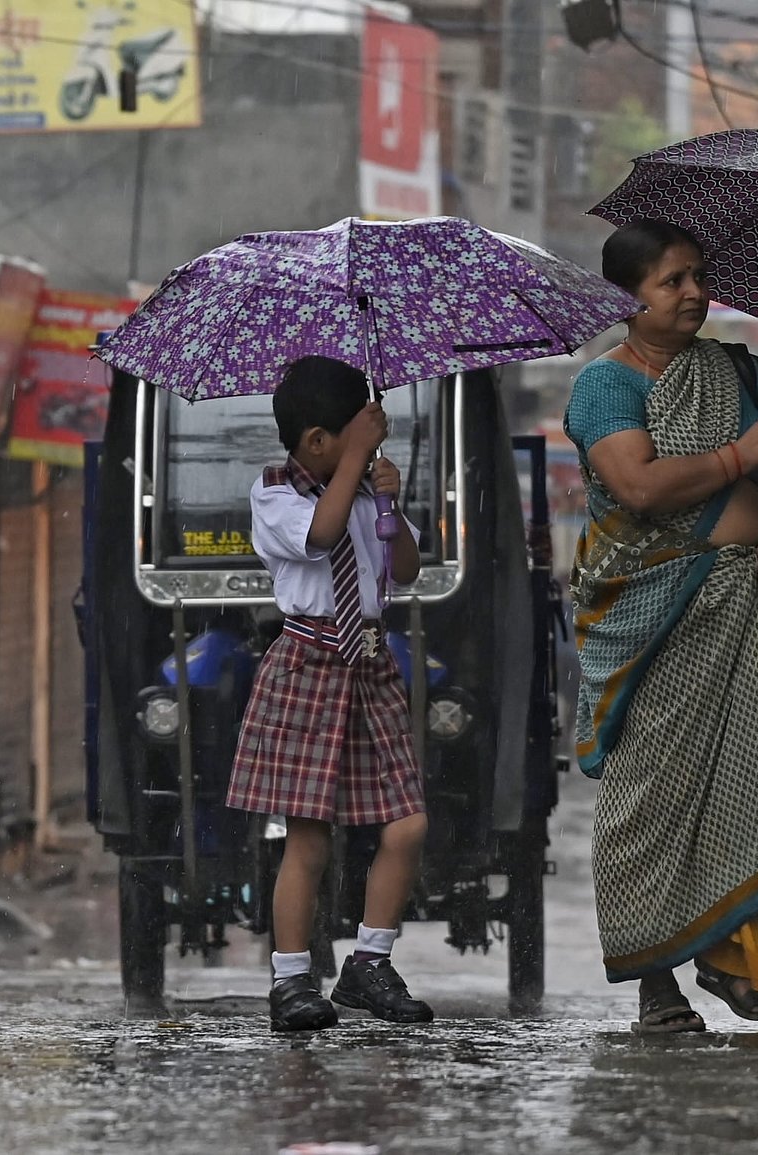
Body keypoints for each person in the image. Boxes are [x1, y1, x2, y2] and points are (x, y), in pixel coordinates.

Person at [565, 217, 758, 1034]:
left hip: (745, 603)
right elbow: (641, 486)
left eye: (697, 277)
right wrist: (736, 457)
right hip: (651, 611)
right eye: (671, 281)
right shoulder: (606, 385)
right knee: (651, 800)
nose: (693, 293)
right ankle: (658, 984)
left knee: (750, 776)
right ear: (630, 298)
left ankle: (735, 958)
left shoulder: (739, 372)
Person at [226, 355, 433, 1032]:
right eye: (355, 433)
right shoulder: (275, 493)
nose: (368, 446)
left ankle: (368, 964)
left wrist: (391, 500)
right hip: (309, 663)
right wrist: (357, 468)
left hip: (369, 665)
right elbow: (318, 538)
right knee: (307, 837)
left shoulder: (366, 492)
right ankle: (290, 978)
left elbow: (404, 567)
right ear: (317, 441)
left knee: (407, 824)